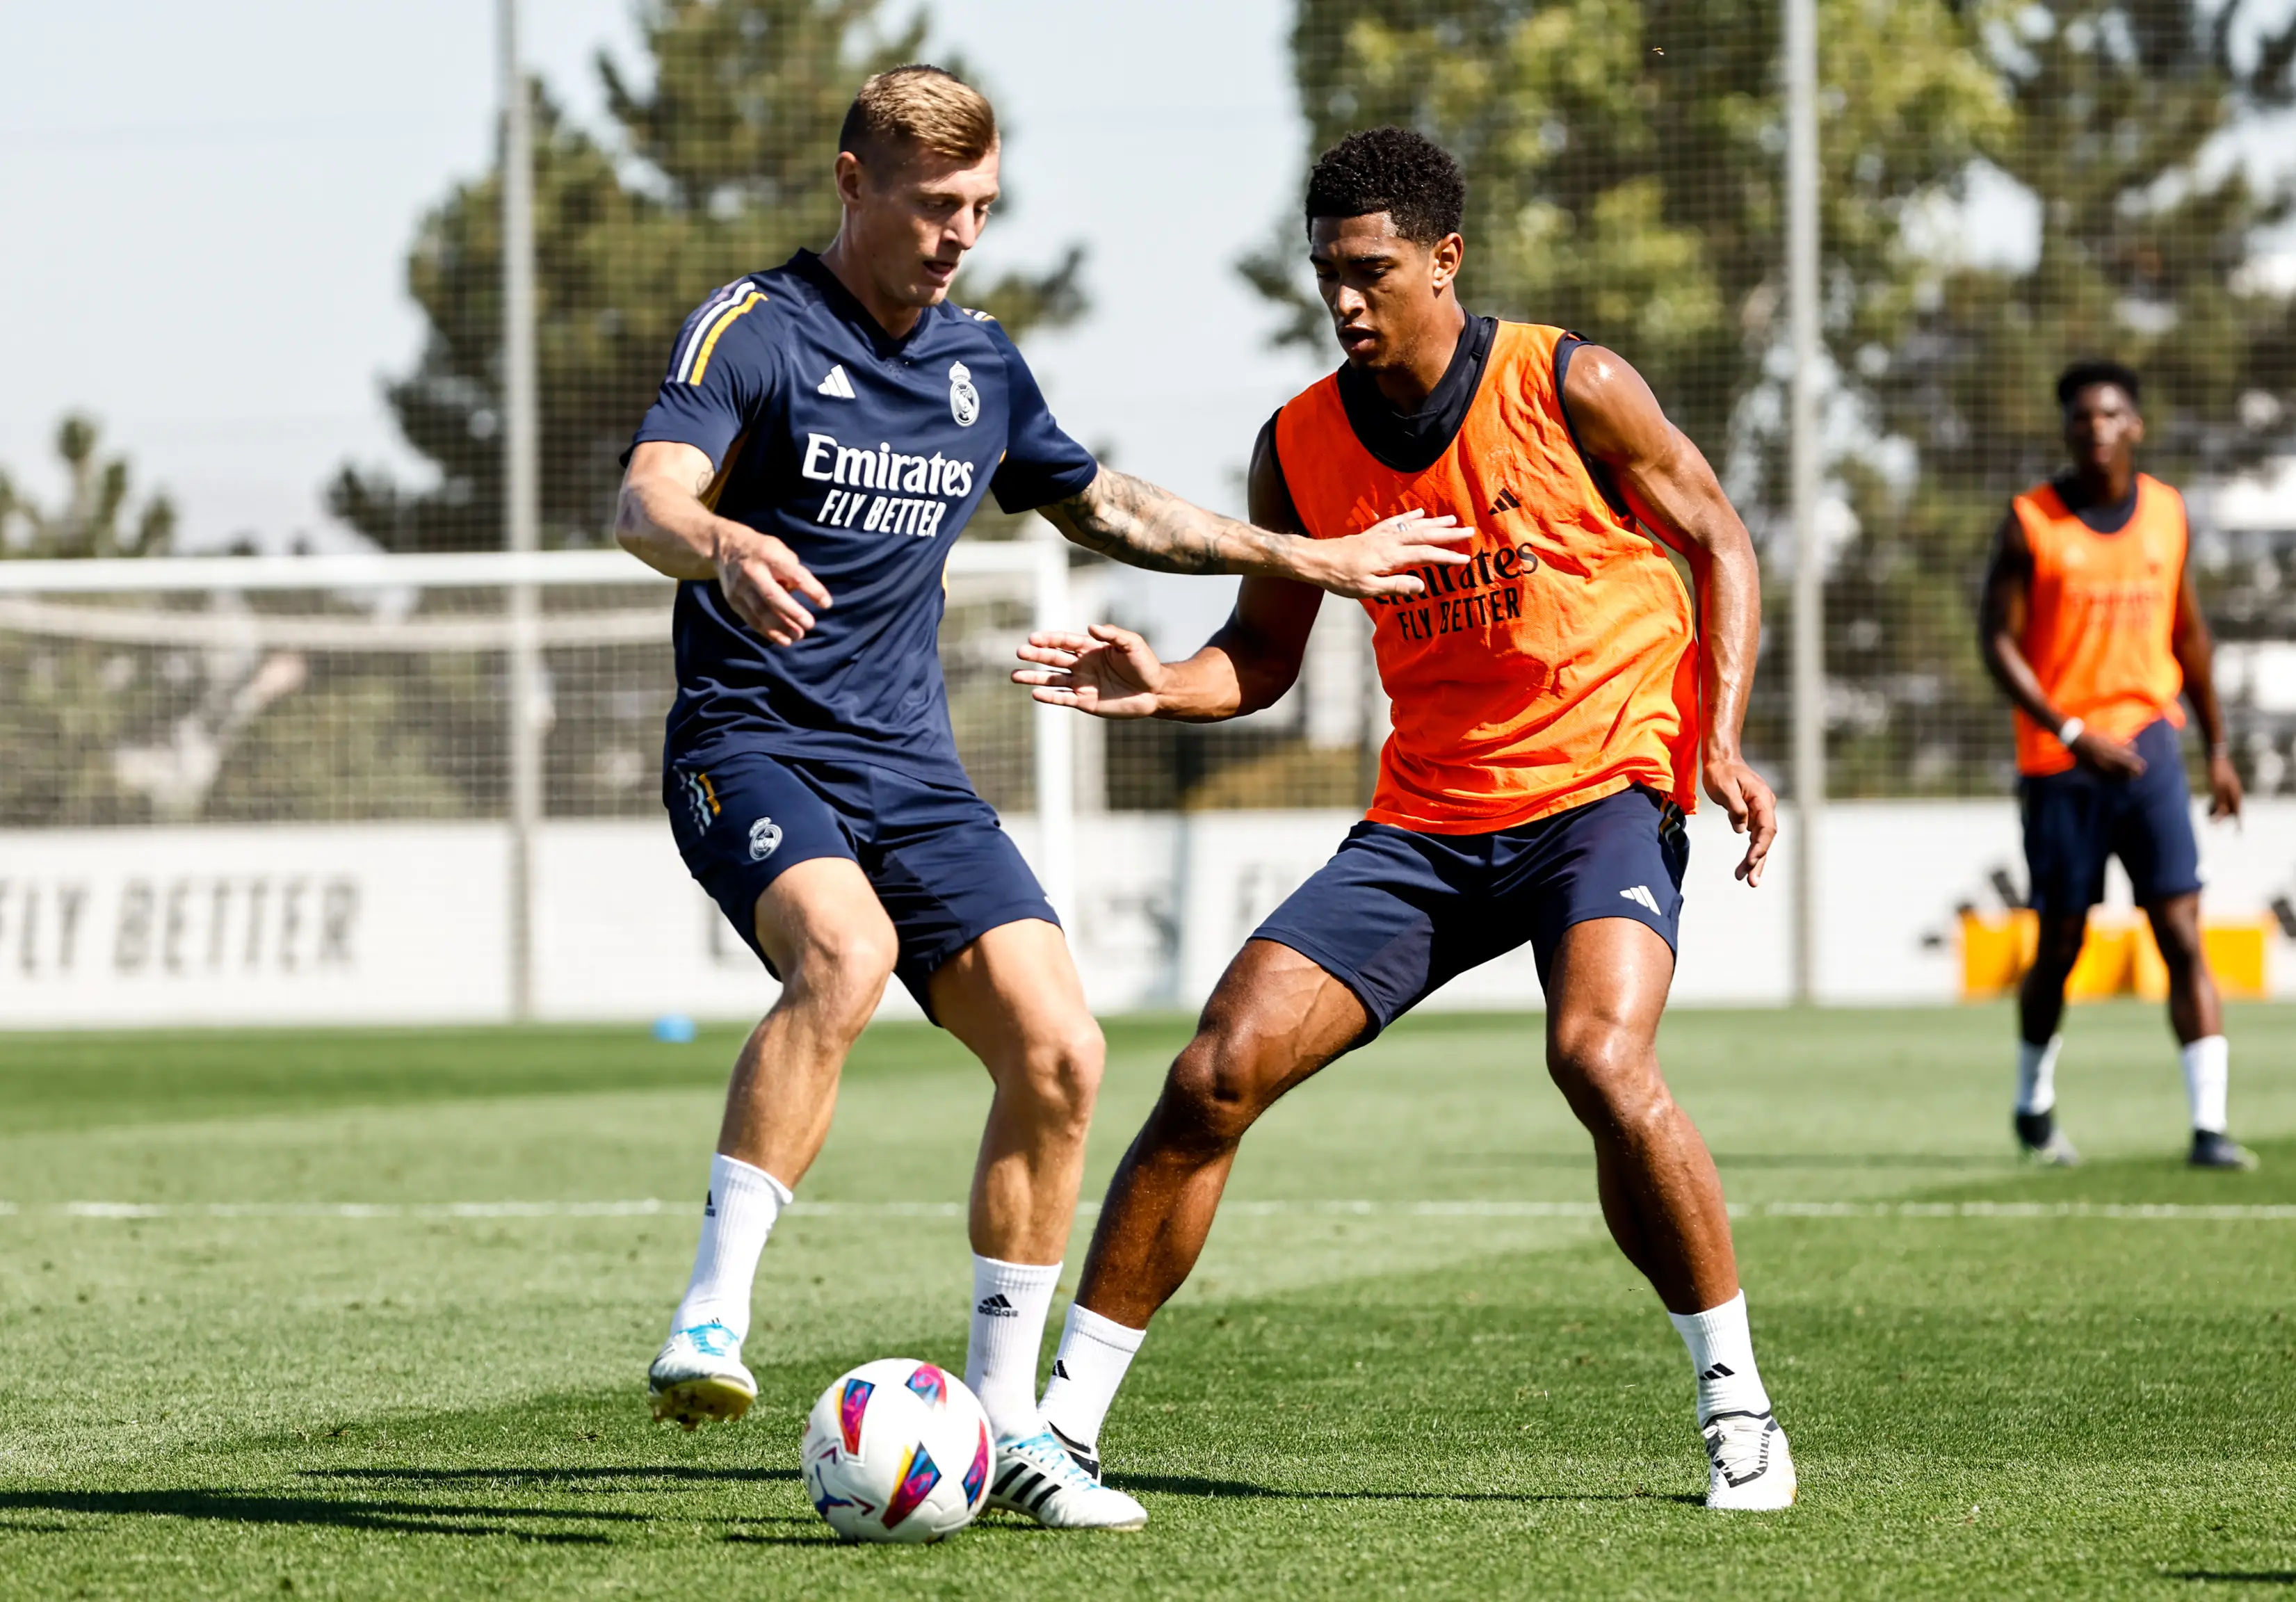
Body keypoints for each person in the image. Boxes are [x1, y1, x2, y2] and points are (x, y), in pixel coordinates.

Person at [613, 68, 1467, 1532]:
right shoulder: (755, 329)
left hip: (911, 771)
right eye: (936, 207)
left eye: (982, 211)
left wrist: (1307, 556)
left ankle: (1010, 1430)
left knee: (1066, 1052)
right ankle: (710, 1317)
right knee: (847, 955)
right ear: (853, 186)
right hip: (750, 745)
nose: (959, 236)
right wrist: (714, 543)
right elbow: (646, 498)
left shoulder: (980, 367)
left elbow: (1112, 508)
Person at [1012, 127, 1796, 1514]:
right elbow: (1257, 658)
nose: (1346, 301)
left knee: (1600, 1065)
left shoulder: (1572, 383)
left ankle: (1738, 1408)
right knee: (1214, 1074)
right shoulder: (1299, 447)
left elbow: (1721, 538)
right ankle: (1055, 1432)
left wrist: (1720, 738)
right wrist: (1160, 684)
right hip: (1428, 825)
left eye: (1371, 271)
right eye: (1327, 276)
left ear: (1446, 260)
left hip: (1601, 790)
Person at [1978, 359, 2254, 1170]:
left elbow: (2188, 635)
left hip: (2150, 747)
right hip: (2059, 762)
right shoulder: (2030, 520)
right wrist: (2067, 730)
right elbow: (1996, 640)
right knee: (2059, 944)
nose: (2094, 429)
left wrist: (2219, 747)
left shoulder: (2167, 513)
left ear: (2133, 425)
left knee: (2178, 929)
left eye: (2108, 416)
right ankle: (2032, 1108)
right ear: (2065, 430)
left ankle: (2208, 1128)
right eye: (2079, 418)